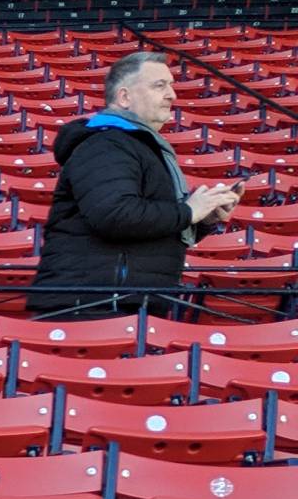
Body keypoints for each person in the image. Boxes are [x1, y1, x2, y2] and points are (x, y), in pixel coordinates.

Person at [26, 52, 242, 318]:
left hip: (122, 304)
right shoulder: (106, 144)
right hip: (92, 308)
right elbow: (115, 215)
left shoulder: (138, 145)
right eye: (159, 85)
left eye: (171, 84)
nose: (172, 94)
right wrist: (187, 211)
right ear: (125, 97)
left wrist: (202, 219)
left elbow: (151, 227)